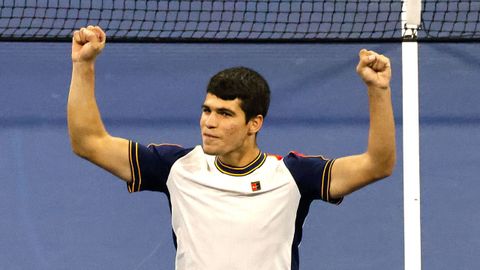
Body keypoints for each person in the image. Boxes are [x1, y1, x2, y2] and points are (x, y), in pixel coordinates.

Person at [68, 26, 396, 270]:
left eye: (225, 114)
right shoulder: (176, 168)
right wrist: (84, 65)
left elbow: (377, 165)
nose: (209, 122)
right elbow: (89, 142)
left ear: (254, 123)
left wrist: (378, 91)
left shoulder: (293, 176)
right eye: (207, 110)